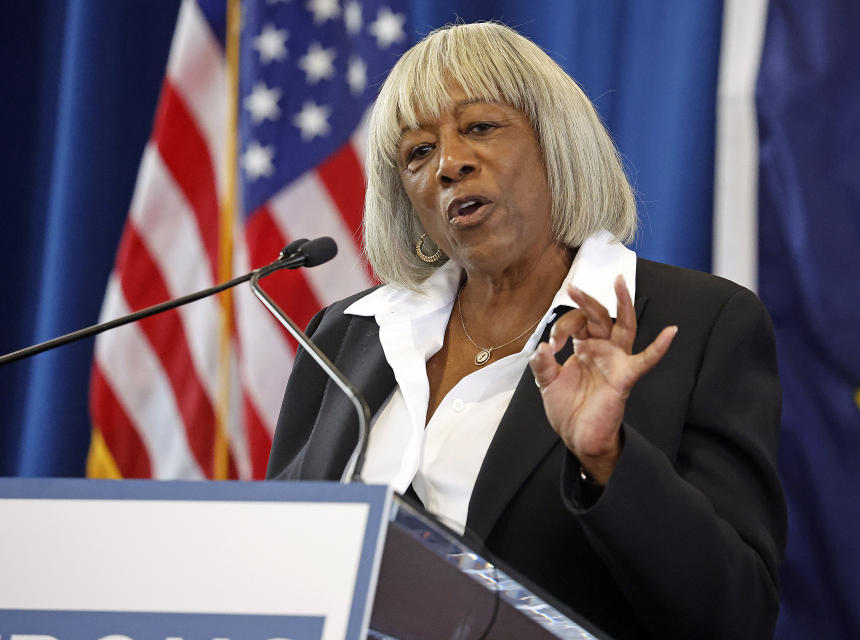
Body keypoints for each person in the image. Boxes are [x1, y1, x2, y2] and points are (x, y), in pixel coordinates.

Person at [268, 22, 786, 639]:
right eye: (418, 153)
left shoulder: (697, 325)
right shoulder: (347, 336)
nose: (449, 165)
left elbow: (736, 614)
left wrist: (606, 458)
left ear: (555, 144)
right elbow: (283, 557)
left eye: (480, 128)